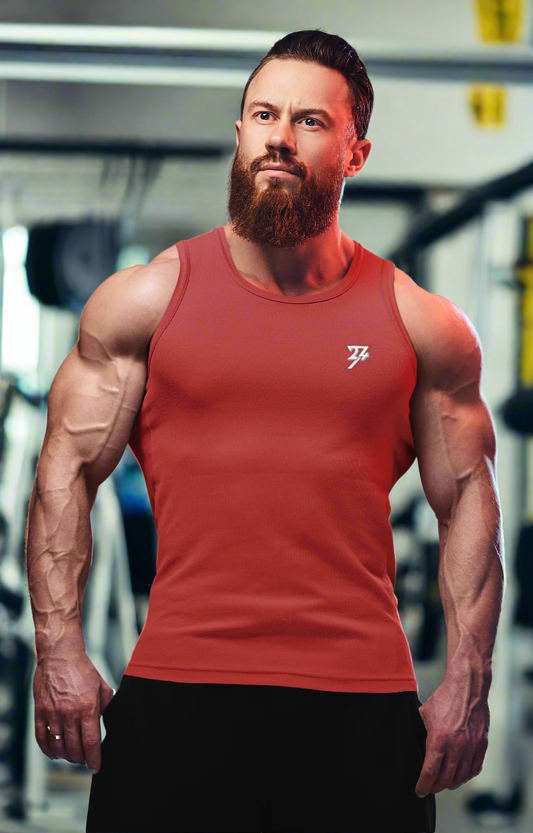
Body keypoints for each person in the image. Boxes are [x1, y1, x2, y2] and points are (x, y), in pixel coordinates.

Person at [25, 29, 504, 833]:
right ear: (241, 129)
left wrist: (467, 676)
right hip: (180, 693)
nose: (279, 137)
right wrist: (59, 649)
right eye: (261, 114)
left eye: (310, 121)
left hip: (358, 708)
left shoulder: (422, 324)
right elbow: (64, 470)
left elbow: (466, 503)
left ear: (355, 152)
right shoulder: (143, 301)